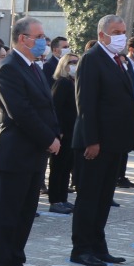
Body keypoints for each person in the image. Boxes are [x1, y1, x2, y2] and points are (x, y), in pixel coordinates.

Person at [0, 18, 59, 266]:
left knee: (26, 213)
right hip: (14, 152)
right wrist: (49, 138)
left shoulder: (34, 68)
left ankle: (16, 264)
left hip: (34, 152)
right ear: (22, 38)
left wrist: (55, 134)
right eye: (38, 35)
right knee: (8, 214)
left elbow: (46, 108)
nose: (43, 40)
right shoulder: (8, 68)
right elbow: (21, 112)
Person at [70, 15, 134, 266]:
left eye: (123, 31)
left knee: (104, 197)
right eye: (115, 31)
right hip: (95, 143)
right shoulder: (91, 59)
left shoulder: (117, 61)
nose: (121, 35)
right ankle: (81, 248)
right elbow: (85, 103)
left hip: (114, 142)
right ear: (101, 35)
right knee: (89, 197)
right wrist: (92, 140)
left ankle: (98, 245)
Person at [47, 51, 79, 214]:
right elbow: (55, 109)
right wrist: (57, 131)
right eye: (71, 62)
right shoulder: (62, 83)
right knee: (58, 167)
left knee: (67, 166)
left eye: (76, 62)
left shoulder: (75, 83)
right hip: (63, 132)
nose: (74, 65)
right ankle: (55, 200)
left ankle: (63, 198)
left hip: (73, 132)